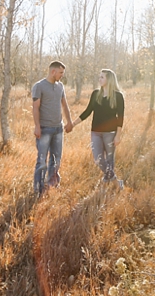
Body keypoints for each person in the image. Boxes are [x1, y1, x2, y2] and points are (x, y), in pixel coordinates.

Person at [68, 69, 125, 185]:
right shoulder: (95, 94)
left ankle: (107, 181)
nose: (99, 79)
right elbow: (88, 111)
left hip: (110, 132)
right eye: (99, 77)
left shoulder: (118, 96)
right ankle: (115, 181)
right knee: (98, 159)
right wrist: (73, 124)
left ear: (109, 79)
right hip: (96, 132)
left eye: (102, 77)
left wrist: (118, 136)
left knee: (109, 160)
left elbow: (120, 117)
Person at [31, 61, 74, 197]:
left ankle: (52, 185)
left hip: (58, 129)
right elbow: (35, 107)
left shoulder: (60, 86)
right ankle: (38, 189)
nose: (62, 76)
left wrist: (69, 121)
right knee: (42, 160)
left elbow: (65, 105)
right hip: (44, 129)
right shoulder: (39, 86)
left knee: (56, 159)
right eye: (61, 73)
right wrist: (37, 126)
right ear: (53, 71)